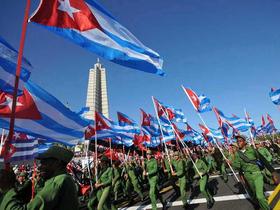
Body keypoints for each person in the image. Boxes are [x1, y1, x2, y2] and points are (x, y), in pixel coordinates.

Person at [0, 145, 79, 210]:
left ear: (57, 163)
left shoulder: (58, 181)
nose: (39, 167)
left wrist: (7, 189)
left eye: (44, 163)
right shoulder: (62, 179)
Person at [229, 135, 270, 210]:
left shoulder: (252, 150)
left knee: (259, 196)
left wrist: (271, 170)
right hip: (248, 176)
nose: (238, 142)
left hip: (257, 174)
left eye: (240, 141)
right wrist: (230, 163)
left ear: (245, 142)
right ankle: (262, 204)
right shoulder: (237, 154)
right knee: (255, 195)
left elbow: (261, 158)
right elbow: (237, 166)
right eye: (237, 141)